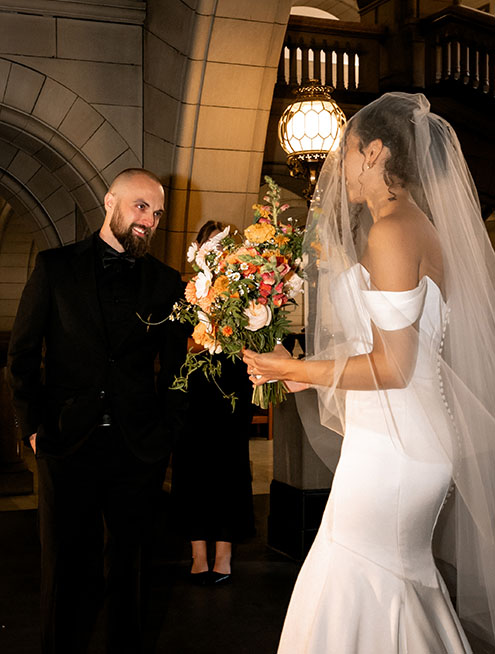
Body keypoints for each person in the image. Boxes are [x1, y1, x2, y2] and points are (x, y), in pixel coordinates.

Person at [243, 93, 495, 652]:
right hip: (400, 438)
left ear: (375, 151)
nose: (339, 165)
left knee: (354, 575)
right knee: (384, 581)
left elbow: (395, 365)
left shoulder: (393, 230)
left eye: (347, 151)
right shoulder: (410, 225)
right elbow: (396, 352)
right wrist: (311, 377)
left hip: (396, 448)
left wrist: (296, 364)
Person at [8, 168, 188, 654]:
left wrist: (167, 431)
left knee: (131, 572)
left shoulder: (168, 282)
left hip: (137, 447)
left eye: (156, 213)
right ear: (111, 201)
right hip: (66, 443)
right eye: (141, 206)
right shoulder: (54, 267)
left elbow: (177, 370)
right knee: (64, 569)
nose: (149, 220)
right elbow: (22, 355)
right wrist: (34, 428)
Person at [172, 221, 255, 586]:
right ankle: (198, 555)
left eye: (223, 246)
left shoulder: (244, 294)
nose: (216, 252)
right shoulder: (186, 292)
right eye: (210, 245)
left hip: (232, 388)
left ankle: (224, 553)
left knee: (229, 469)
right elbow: (174, 343)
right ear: (199, 249)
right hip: (193, 391)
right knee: (192, 470)